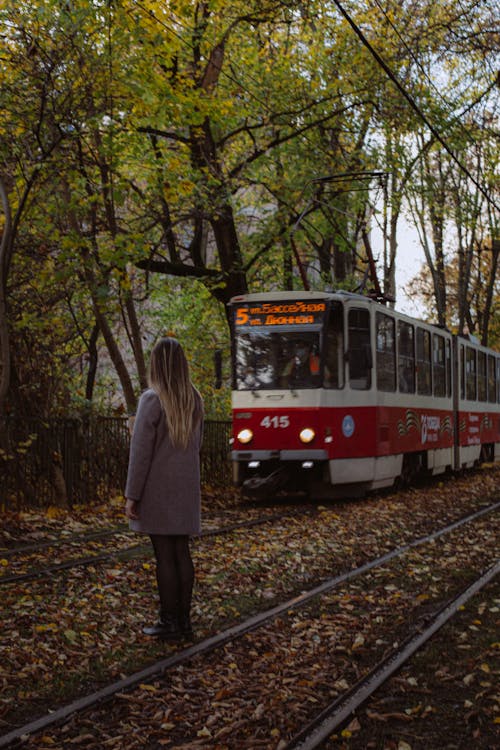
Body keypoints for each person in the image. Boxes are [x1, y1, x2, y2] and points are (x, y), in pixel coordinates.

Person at [124, 337, 204, 641]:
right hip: (185, 490)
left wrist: (133, 495)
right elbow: (196, 445)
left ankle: (168, 621)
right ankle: (184, 622)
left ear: (156, 364)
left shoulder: (152, 399)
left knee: (164, 556)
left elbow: (140, 452)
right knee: (181, 552)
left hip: (158, 489)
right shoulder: (194, 398)